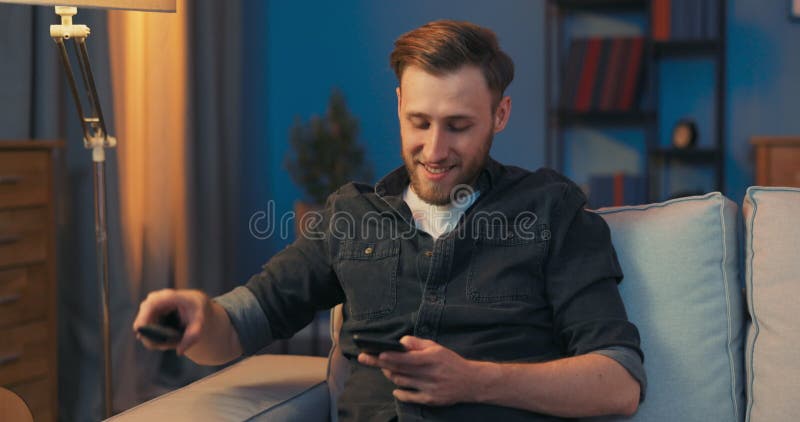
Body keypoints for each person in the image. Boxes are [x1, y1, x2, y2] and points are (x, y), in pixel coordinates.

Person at [134, 20, 646, 421]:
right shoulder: (352, 216)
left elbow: (619, 383)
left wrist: (475, 381)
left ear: (500, 115)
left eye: (459, 126)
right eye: (419, 122)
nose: (435, 150)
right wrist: (198, 314)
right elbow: (239, 325)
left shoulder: (551, 210)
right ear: (399, 103)